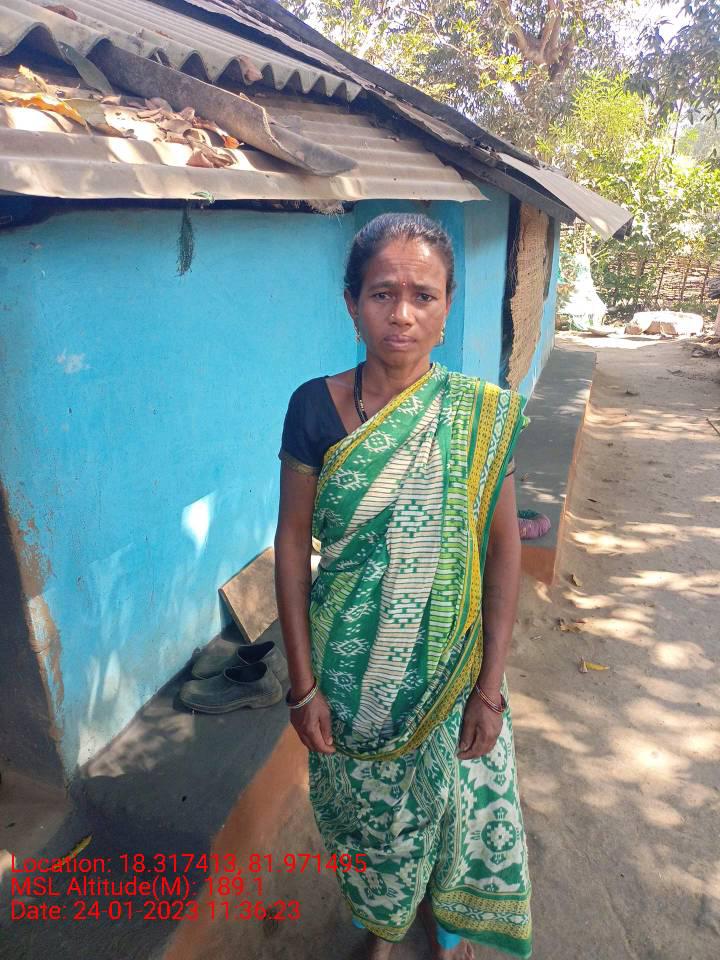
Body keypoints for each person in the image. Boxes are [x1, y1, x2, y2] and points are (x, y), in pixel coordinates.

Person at [275, 213, 532, 960]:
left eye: (424, 295)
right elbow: (291, 544)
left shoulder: (481, 415)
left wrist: (490, 689)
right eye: (382, 293)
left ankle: (445, 925)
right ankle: (381, 924)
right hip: (349, 674)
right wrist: (301, 686)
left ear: (447, 308)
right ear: (351, 303)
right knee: (369, 820)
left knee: (451, 805)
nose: (402, 314)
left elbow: (503, 547)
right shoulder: (313, 407)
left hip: (452, 671)